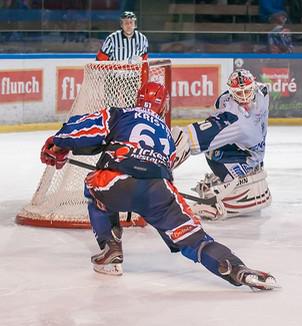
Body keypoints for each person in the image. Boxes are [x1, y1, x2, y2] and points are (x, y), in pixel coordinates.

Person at [39, 81, 277, 290]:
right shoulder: (166, 131)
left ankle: (111, 250)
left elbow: (87, 129)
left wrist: (58, 143)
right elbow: (166, 164)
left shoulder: (123, 113)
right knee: (196, 240)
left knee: (93, 186)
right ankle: (236, 269)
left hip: (115, 183)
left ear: (137, 100)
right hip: (159, 191)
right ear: (163, 107)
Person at [171, 69, 272, 220]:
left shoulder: (262, 93)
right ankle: (224, 194)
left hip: (252, 157)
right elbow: (188, 138)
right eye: (239, 93)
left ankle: (232, 182)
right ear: (232, 93)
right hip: (245, 158)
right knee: (209, 148)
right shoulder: (234, 119)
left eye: (247, 91)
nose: (244, 97)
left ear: (254, 86)